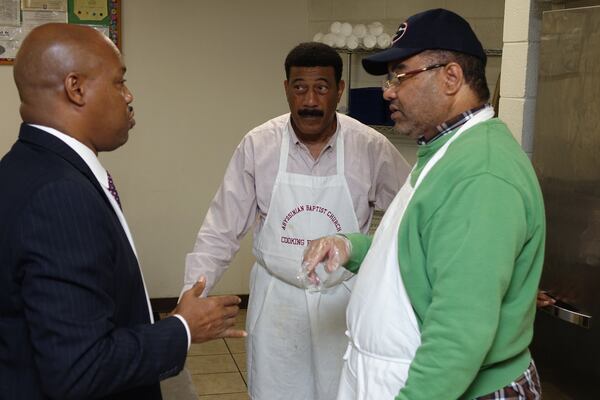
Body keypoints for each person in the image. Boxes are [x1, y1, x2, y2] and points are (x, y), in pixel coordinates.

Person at [302, 8, 546, 400]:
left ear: (451, 77)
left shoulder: (480, 174)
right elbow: (417, 253)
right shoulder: (445, 152)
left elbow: (459, 335)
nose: (387, 91)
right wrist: (350, 246)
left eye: (401, 75)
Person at [0, 23, 245, 400]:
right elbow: (80, 368)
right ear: (75, 88)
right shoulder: (60, 196)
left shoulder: (24, 168)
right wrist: (183, 328)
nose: (129, 95)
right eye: (119, 82)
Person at [182, 42, 410, 400]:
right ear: (286, 89)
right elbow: (220, 230)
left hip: (344, 302)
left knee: (345, 392)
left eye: (321, 87)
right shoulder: (259, 145)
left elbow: (411, 218)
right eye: (300, 87)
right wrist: (191, 294)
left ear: (339, 91)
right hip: (278, 302)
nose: (310, 101)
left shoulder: (371, 147)